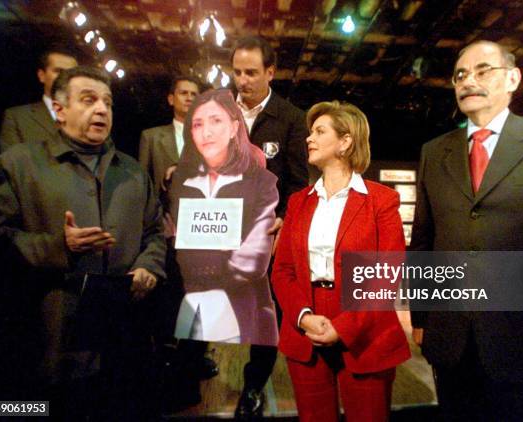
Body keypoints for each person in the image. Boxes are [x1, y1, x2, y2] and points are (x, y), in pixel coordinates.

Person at [410, 40, 523, 421]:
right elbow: (424, 242)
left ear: (513, 78)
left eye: (482, 70)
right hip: (453, 343)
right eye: (460, 74)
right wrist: (422, 317)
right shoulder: (434, 152)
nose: (468, 81)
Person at [0, 66, 166, 419]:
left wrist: (148, 266)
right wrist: (58, 247)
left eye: (107, 102)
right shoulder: (19, 165)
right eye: (88, 100)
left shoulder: (133, 172)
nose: (101, 109)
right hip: (46, 342)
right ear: (59, 109)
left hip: (120, 342)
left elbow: (154, 232)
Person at [271, 101, 411, 422]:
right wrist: (303, 316)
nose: (309, 138)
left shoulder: (382, 200)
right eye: (310, 132)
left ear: (345, 141)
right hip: (305, 326)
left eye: (320, 131)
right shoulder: (297, 202)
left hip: (365, 329)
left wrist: (343, 326)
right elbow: (283, 271)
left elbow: (386, 275)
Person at [231, 35, 309, 420]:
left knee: (265, 314)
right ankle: (188, 368)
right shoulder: (217, 113)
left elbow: (299, 183)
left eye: (250, 72)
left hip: (267, 236)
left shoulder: (292, 118)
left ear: (270, 72)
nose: (242, 80)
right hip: (219, 231)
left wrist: (284, 220)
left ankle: (253, 385)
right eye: (237, 72)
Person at [166, 88, 279, 346]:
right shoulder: (178, 182)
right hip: (186, 307)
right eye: (197, 124)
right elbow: (169, 244)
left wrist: (199, 268)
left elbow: (253, 259)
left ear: (233, 127)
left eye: (216, 121)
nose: (207, 131)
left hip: (239, 311)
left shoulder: (261, 182)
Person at [0, 46, 78, 152]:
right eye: (58, 71)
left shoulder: (89, 117)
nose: (65, 76)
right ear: (42, 75)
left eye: (71, 73)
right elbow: (11, 165)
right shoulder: (17, 118)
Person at [139, 75, 201, 193]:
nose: (189, 98)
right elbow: (143, 184)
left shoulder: (212, 138)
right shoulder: (151, 137)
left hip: (200, 209)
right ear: (171, 99)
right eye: (183, 93)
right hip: (163, 209)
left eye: (194, 95)